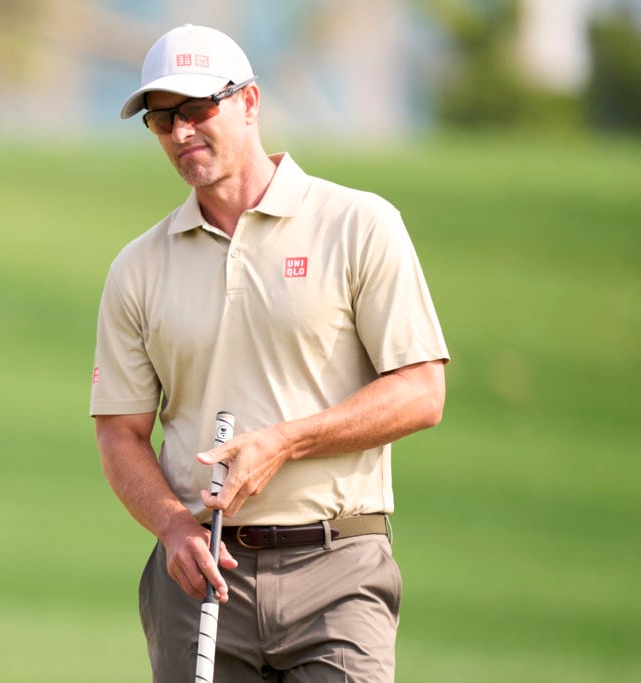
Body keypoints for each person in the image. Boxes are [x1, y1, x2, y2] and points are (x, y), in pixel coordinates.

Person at [90, 24, 449, 683]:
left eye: (198, 110)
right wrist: (172, 525)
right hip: (199, 578)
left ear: (250, 103)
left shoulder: (358, 224)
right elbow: (119, 432)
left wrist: (284, 442)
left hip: (336, 569)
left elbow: (423, 390)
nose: (180, 133)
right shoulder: (137, 268)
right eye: (161, 119)